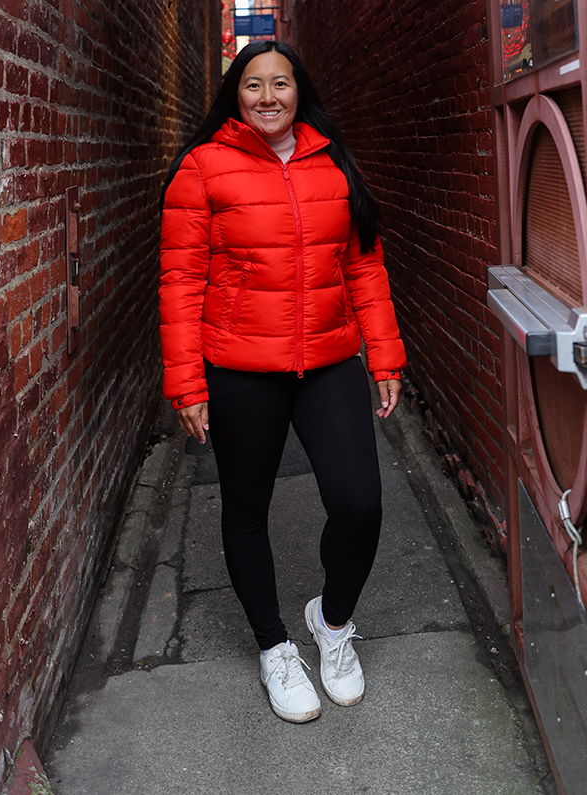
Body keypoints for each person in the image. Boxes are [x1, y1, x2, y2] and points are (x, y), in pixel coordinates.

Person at [158, 40, 406, 723]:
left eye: (281, 84)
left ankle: (330, 620)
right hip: (239, 367)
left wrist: (384, 356)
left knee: (359, 501)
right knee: (245, 509)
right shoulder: (202, 169)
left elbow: (364, 269)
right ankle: (274, 646)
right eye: (254, 85)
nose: (269, 97)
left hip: (328, 361)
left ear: (301, 91)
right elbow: (181, 282)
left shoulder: (334, 163)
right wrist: (187, 381)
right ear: (236, 97)